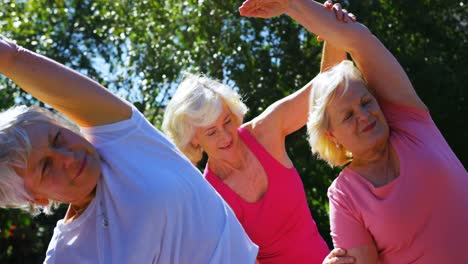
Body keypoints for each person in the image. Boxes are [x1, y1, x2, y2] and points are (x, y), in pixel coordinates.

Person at [239, 0, 468, 263]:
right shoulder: (345, 196)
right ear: (331, 136)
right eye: (348, 116)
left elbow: (357, 40)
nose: (363, 115)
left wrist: (292, 4)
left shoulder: (410, 122)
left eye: (366, 102)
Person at [0, 34, 259, 263]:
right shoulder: (66, 256)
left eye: (58, 138)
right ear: (35, 199)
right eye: (46, 166)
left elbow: (13, 58)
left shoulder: (121, 137)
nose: (67, 157)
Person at [161, 4, 358, 262]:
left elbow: (325, 86)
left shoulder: (265, 132)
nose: (226, 136)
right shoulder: (210, 198)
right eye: (211, 132)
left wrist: (333, 26)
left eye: (227, 121)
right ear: (193, 139)